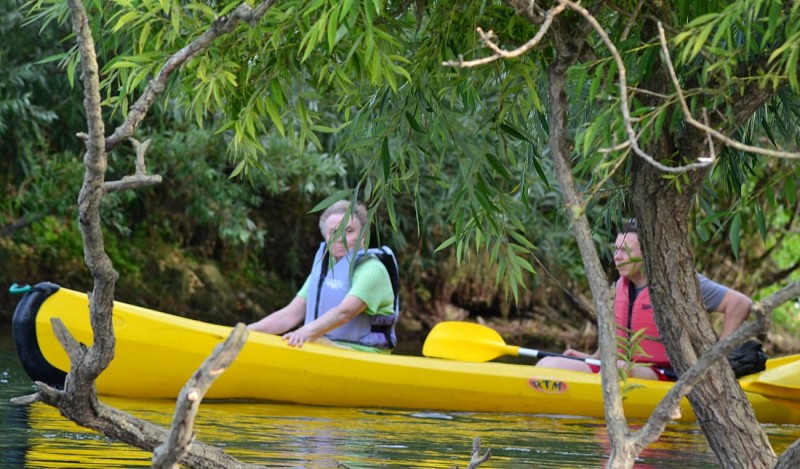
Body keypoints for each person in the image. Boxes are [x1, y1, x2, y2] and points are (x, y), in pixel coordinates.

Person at [537, 218, 752, 380]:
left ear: (647, 253)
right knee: (549, 364)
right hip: (619, 367)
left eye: (625, 251)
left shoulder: (680, 284)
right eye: (616, 249)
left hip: (666, 373)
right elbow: (616, 334)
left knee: (618, 369)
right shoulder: (620, 286)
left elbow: (740, 303)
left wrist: (718, 356)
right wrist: (593, 357)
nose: (617, 257)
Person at [247, 200, 399, 351]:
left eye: (349, 231)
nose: (340, 238)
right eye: (333, 232)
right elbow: (289, 316)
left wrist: (304, 332)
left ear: (363, 236)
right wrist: (249, 330)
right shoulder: (324, 271)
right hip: (324, 346)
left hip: (361, 353)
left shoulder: (372, 270)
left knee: (309, 341)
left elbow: (345, 312)